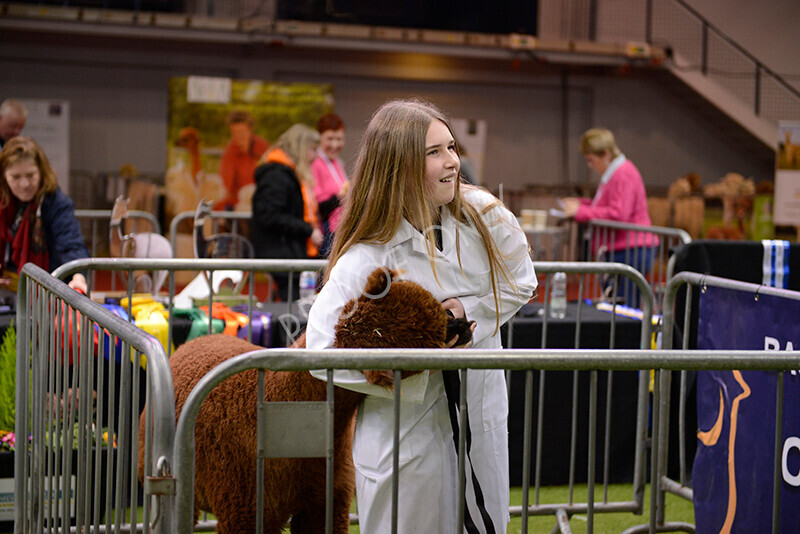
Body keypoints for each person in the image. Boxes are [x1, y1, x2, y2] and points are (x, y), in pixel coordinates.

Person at [306, 99, 537, 533]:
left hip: (479, 411)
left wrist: (471, 312)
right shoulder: (369, 255)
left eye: (451, 147)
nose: (452, 162)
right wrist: (403, 365)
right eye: (434, 153)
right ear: (398, 165)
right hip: (405, 432)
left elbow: (522, 281)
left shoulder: (486, 219)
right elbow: (319, 351)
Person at [561, 127, 658, 304]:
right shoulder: (616, 173)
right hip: (624, 249)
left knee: (623, 307)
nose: (590, 165)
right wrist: (582, 204)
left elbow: (619, 213)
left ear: (606, 154)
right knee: (619, 305)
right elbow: (609, 206)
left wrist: (581, 212)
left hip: (630, 250)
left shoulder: (623, 174)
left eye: (592, 160)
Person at [0, 136, 88, 293]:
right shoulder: (3, 200)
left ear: (41, 172)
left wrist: (78, 277)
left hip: (45, 293)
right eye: (15, 177)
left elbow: (71, 244)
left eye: (30, 175)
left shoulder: (56, 202)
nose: (24, 184)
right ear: (4, 177)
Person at [251, 123, 323, 301]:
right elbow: (269, 215)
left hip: (290, 250)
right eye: (312, 150)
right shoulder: (277, 174)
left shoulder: (286, 172)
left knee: (293, 303)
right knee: (292, 305)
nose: (315, 156)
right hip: (284, 251)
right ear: (300, 148)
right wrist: (307, 229)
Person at [310, 113, 349, 257]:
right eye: (330, 139)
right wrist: (339, 199)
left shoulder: (337, 163)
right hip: (327, 230)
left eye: (339, 139)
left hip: (339, 228)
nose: (335, 145)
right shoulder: (316, 163)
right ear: (319, 138)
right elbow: (316, 205)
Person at [215, 110, 270, 211]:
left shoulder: (263, 147)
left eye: (242, 132)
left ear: (250, 131)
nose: (238, 136)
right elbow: (225, 187)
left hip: (263, 200)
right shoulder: (229, 153)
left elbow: (273, 176)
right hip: (238, 204)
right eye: (234, 133)